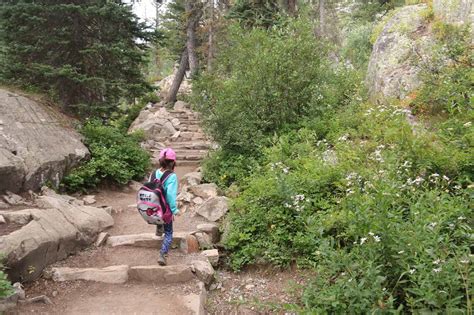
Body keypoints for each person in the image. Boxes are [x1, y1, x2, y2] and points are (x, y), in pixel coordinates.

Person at [149, 147, 179, 266]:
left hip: (153, 207)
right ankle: (163, 254)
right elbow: (171, 195)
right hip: (165, 208)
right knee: (169, 232)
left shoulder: (154, 173)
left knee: (160, 219)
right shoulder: (172, 176)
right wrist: (174, 210)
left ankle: (158, 226)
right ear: (172, 162)